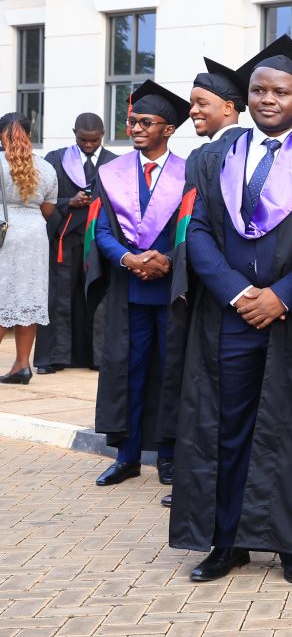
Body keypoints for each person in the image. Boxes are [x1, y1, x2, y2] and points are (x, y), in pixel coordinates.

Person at [169, 37, 292, 583]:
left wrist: (284, 294)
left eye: (280, 91)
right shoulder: (212, 156)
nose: (267, 99)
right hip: (228, 315)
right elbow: (192, 230)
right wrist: (237, 293)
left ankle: (291, 544)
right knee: (225, 425)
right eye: (259, 90)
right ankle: (227, 540)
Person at [85, 82, 189, 487]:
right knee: (126, 370)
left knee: (171, 370)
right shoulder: (111, 174)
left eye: (146, 122)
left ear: (168, 129)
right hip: (127, 289)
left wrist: (169, 260)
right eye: (131, 122)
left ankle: (167, 454)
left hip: (172, 289)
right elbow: (101, 231)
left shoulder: (188, 172)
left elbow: (193, 228)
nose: (136, 129)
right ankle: (126, 456)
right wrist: (129, 258)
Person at [156, 56, 250, 508]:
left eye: (201, 103)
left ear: (230, 108)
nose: (192, 111)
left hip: (217, 294)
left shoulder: (207, 156)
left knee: (209, 396)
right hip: (250, 292)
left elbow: (194, 229)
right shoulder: (235, 150)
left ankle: (203, 488)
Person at [36, 113, 116, 374]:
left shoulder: (115, 164)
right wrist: (68, 202)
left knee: (97, 297)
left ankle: (97, 358)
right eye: (83, 140)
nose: (89, 145)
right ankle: (54, 358)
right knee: (59, 298)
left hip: (98, 242)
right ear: (74, 133)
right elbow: (41, 200)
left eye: (94, 140)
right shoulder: (56, 160)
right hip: (65, 240)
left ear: (102, 134)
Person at [0, 112, 58, 384]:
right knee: (28, 298)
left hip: (4, 233)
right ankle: (22, 365)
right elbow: (48, 210)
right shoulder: (46, 167)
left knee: (3, 298)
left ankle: (20, 366)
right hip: (35, 235)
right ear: (29, 135)